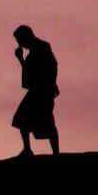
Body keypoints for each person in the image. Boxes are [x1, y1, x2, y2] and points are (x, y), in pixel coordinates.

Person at [11, 25, 60, 156]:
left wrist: (52, 83)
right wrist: (20, 59)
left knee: (47, 121)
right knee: (21, 119)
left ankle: (56, 154)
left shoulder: (42, 47)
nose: (19, 43)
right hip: (35, 91)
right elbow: (28, 71)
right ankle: (27, 149)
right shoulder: (31, 53)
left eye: (19, 39)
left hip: (42, 91)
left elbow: (52, 65)